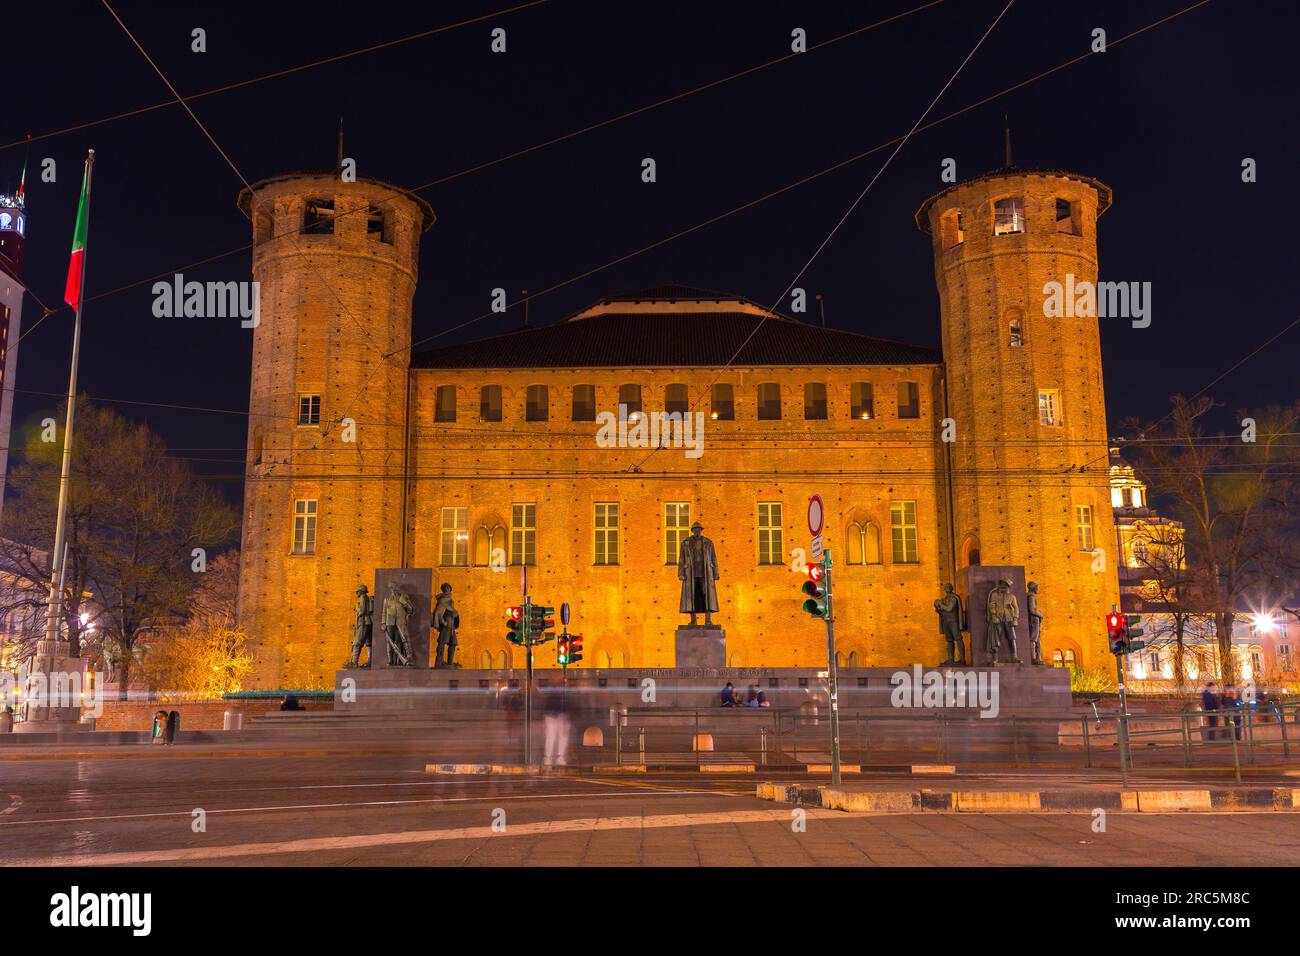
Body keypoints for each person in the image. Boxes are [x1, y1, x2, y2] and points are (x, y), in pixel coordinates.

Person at [542, 690, 571, 766]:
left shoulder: (557, 690)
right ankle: (553, 757)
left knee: (555, 736)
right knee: (555, 736)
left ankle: (552, 757)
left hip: (555, 713)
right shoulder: (561, 690)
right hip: (554, 713)